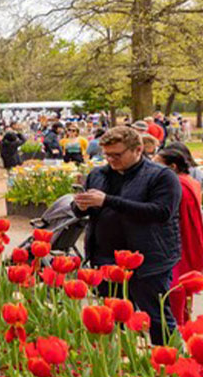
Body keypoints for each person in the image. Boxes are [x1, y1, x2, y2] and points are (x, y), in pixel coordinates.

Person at [73, 126, 182, 345]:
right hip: (106, 258)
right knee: (112, 318)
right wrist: (81, 206)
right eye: (107, 155)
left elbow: (161, 212)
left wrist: (108, 201)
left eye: (117, 155)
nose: (112, 160)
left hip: (148, 259)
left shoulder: (161, 176)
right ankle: (124, 363)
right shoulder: (98, 174)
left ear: (138, 149)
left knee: (157, 317)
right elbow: (89, 211)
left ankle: (169, 363)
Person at [156, 148, 203, 325]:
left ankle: (177, 327)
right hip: (189, 240)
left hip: (178, 242)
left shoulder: (177, 185)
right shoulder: (190, 181)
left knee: (176, 288)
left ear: (172, 167)